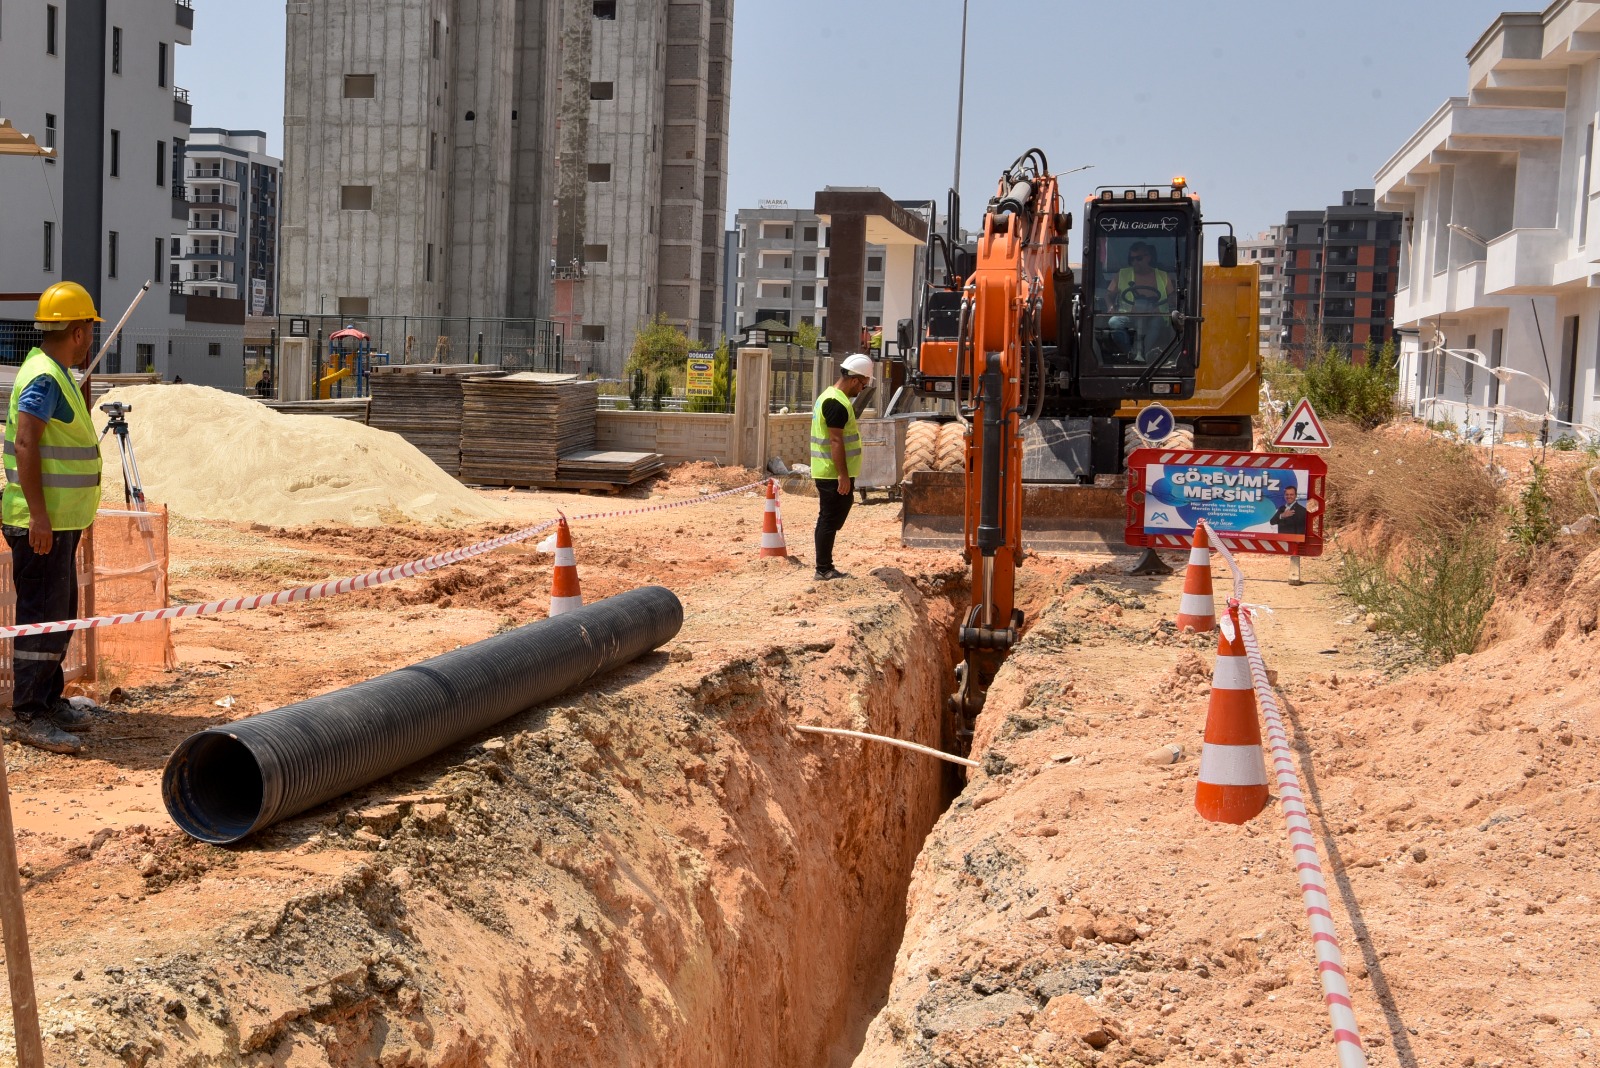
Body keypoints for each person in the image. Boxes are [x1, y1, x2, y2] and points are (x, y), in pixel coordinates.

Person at [2, 282, 106, 754]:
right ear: (80, 332)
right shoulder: (44, 376)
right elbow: (26, 443)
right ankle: (28, 711)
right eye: (90, 330)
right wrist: (40, 517)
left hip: (58, 521)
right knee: (41, 616)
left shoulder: (55, 371)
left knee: (57, 615)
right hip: (39, 522)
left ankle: (48, 699)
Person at [810, 353, 873, 580]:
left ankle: (824, 566)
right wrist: (843, 475)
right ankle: (823, 569)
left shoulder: (831, 397)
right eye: (863, 385)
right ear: (855, 379)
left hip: (830, 471)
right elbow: (836, 440)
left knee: (831, 517)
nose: (862, 389)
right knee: (828, 519)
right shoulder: (836, 402)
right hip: (831, 473)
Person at [1105, 241, 1175, 359]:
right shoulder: (1122, 274)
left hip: (1155, 316)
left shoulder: (1163, 276)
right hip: (1129, 315)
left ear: (1148, 257)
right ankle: (1131, 353)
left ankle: (1143, 354)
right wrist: (1110, 306)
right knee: (1114, 322)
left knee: (1156, 323)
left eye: (1139, 258)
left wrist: (1161, 306)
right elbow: (1108, 296)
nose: (1135, 262)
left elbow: (1173, 297)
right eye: (1132, 259)